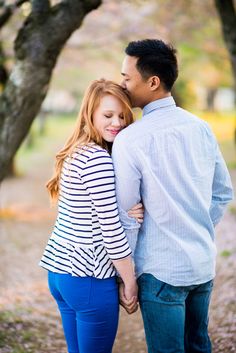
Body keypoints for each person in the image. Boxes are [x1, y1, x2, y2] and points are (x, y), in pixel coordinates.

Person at [112, 39, 234, 353]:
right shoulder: (201, 128)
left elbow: (127, 212)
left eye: (127, 77)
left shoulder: (130, 139)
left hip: (160, 269)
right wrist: (196, 224)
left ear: (152, 82)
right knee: (198, 345)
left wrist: (126, 277)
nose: (121, 84)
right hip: (201, 264)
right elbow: (223, 192)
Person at [39, 79, 142, 353]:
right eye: (107, 115)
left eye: (122, 115)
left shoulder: (77, 151)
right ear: (89, 114)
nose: (117, 122)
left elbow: (90, 213)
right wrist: (129, 281)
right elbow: (109, 230)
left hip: (61, 272)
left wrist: (127, 211)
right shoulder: (98, 159)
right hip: (89, 279)